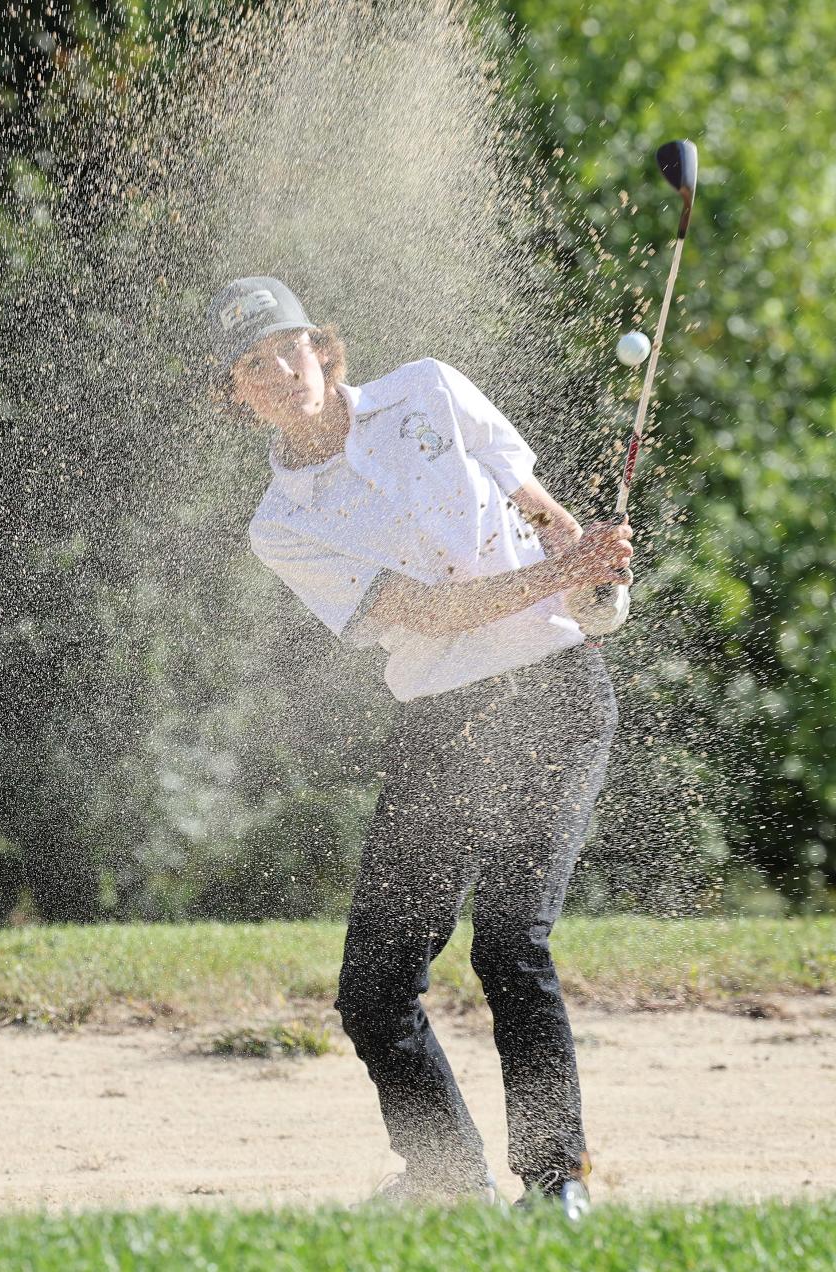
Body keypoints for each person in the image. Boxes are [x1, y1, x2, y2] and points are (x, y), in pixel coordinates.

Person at [208, 276, 633, 1213]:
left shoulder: (429, 389)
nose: (279, 370)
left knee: (512, 945)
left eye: (287, 345)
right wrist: (561, 569)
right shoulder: (283, 525)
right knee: (372, 988)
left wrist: (591, 567)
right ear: (235, 395)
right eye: (251, 364)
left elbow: (531, 502)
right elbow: (432, 614)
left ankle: (556, 1183)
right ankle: (445, 1180)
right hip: (445, 724)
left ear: (321, 345)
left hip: (555, 696)